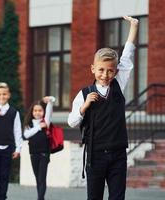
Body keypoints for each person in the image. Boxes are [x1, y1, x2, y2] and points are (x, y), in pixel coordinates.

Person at [67, 16, 139, 200]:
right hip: (95, 155)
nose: (105, 74)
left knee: (117, 197)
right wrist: (84, 106)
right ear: (93, 69)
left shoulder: (118, 85)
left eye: (110, 70)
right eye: (101, 70)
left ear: (116, 71)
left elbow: (127, 54)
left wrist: (134, 26)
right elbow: (72, 121)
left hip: (118, 154)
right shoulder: (84, 94)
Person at [0, 82, 23, 200]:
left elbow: (17, 131)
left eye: (4, 94)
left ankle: (2, 197)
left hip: (7, 148)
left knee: (4, 175)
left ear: (9, 95)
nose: (2, 96)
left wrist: (18, 148)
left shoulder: (13, 112)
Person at [23, 96, 56, 200]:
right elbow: (26, 135)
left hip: (44, 154)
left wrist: (50, 101)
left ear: (43, 111)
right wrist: (38, 127)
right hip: (33, 154)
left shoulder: (46, 122)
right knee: (37, 177)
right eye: (35, 110)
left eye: (40, 110)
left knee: (42, 178)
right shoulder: (28, 124)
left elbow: (50, 109)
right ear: (32, 112)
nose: (37, 113)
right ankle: (40, 197)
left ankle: (40, 198)